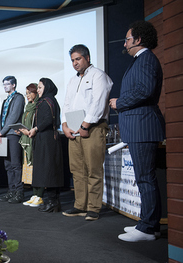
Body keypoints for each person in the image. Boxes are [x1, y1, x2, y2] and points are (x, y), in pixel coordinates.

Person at [110, 21, 165, 242]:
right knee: (144, 179)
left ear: (138, 40)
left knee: (145, 179)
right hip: (139, 127)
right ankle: (148, 224)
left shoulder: (145, 59)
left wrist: (119, 102)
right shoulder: (140, 60)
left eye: (127, 39)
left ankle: (148, 227)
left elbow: (143, 90)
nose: (125, 43)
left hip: (144, 127)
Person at [61, 44, 113, 220]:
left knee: (93, 169)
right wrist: (64, 125)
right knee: (77, 170)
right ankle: (80, 205)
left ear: (87, 58)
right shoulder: (72, 80)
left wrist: (85, 126)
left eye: (78, 59)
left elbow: (98, 103)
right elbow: (67, 104)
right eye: (72, 60)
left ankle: (93, 208)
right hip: (74, 130)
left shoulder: (99, 75)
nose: (75, 63)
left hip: (93, 128)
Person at [25, 78, 64, 212]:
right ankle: (52, 202)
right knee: (48, 170)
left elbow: (48, 120)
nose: (38, 90)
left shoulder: (47, 101)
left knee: (49, 170)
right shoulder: (46, 101)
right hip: (45, 139)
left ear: (47, 88)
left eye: (40, 87)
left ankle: (53, 202)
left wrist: (35, 129)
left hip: (47, 140)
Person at [0, 75, 25, 204]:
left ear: (13, 85)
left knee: (15, 164)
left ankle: (18, 192)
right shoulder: (6, 99)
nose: (5, 86)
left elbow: (13, 117)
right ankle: (11, 190)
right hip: (3, 134)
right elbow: (1, 117)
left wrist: (2, 132)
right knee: (7, 165)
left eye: (7, 84)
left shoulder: (18, 97)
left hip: (12, 134)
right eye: (4, 84)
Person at [16, 83, 41, 207]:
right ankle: (34, 194)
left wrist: (30, 131)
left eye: (30, 93)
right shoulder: (28, 107)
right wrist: (19, 129)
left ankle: (39, 195)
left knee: (36, 167)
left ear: (36, 93)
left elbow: (38, 125)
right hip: (25, 141)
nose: (28, 96)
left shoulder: (38, 106)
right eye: (26, 94)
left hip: (34, 141)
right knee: (29, 169)